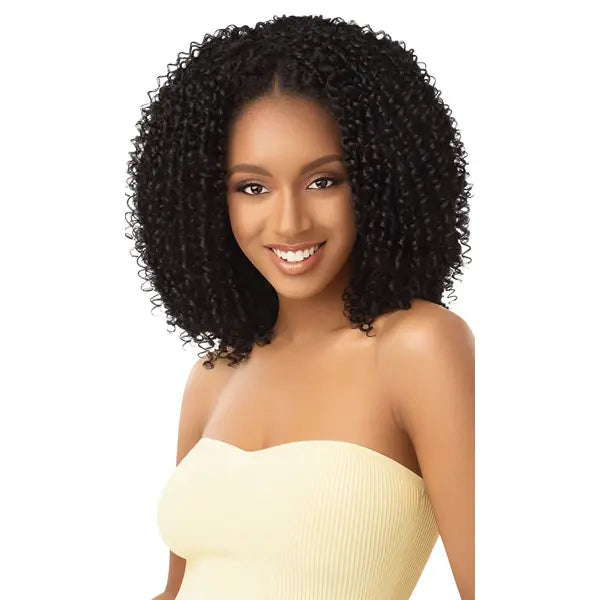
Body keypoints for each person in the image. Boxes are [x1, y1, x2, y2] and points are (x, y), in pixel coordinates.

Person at [125, 14, 475, 600]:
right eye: (253, 187)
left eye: (323, 181)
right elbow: (178, 590)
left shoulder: (420, 348)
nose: (289, 223)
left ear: (379, 181)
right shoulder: (215, 376)